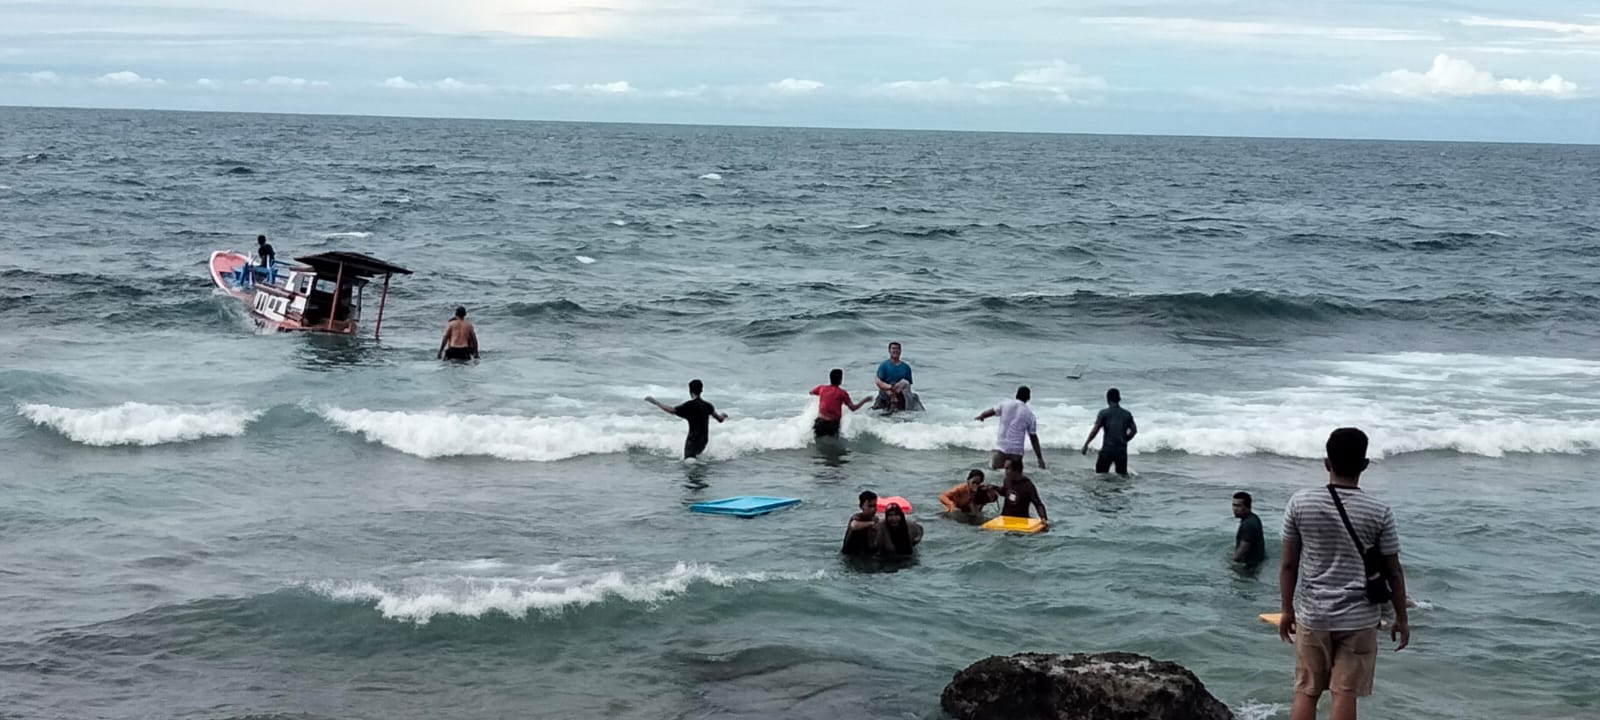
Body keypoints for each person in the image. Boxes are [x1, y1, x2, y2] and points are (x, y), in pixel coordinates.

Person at [1279, 428, 1410, 720]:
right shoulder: (1380, 511)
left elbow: (1288, 564)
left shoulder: (1300, 503)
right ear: (1365, 464)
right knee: (1345, 692)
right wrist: (1401, 618)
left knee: (1307, 690)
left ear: (1327, 462)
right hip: (1359, 619)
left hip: (1313, 614)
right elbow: (1394, 572)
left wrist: (1287, 609)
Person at [646, 379, 729, 460]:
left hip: (693, 440)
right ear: (701, 390)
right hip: (703, 440)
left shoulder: (689, 405)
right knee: (697, 461)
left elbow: (672, 410)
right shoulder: (708, 406)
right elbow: (720, 419)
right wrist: (723, 415)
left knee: (689, 462)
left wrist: (657, 403)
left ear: (690, 391)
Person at [976, 386, 1046, 470]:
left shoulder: (1005, 404)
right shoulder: (1030, 415)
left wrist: (982, 416)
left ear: (1016, 395)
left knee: (995, 473)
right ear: (1028, 398)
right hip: (1016, 452)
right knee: (1015, 477)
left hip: (1001, 448)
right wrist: (1039, 458)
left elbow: (991, 412)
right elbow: (1033, 438)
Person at [1081, 388, 1137, 475]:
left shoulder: (1103, 413)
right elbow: (1134, 430)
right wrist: (1125, 440)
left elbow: (1095, 430)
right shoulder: (1127, 414)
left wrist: (1086, 444)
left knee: (1100, 475)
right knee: (1122, 476)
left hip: (1107, 450)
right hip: (1121, 451)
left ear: (1107, 399)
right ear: (1119, 399)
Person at [810, 368, 869, 439]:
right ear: (840, 380)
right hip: (832, 425)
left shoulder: (822, 388)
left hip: (820, 422)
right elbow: (853, 408)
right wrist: (864, 401)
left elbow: (811, 392)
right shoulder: (842, 393)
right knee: (833, 444)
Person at [871, 341, 922, 413]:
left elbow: (908, 386)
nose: (896, 350)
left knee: (907, 386)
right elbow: (879, 383)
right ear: (889, 351)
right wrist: (890, 391)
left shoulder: (906, 367)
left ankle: (909, 412)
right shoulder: (884, 365)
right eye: (893, 348)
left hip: (900, 392)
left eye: (898, 349)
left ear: (900, 351)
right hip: (886, 391)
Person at [998, 458, 1048, 525]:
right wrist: (994, 489)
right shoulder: (1007, 480)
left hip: (1021, 521)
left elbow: (1038, 504)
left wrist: (1043, 517)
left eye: (1007, 469)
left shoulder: (1028, 485)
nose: (1005, 471)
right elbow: (1006, 493)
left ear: (1016, 470)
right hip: (1005, 518)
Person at [1233, 491, 1266, 567]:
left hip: (1248, 567)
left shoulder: (1248, 525)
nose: (1235, 509)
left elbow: (1243, 548)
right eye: (1234, 505)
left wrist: (1232, 562)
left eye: (1238, 506)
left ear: (1248, 507)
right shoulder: (1254, 518)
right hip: (1256, 563)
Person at [841, 491, 879, 555]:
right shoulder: (857, 517)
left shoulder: (875, 519)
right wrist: (871, 523)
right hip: (851, 555)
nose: (873, 509)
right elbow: (854, 525)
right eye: (870, 506)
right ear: (861, 506)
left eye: (874, 506)